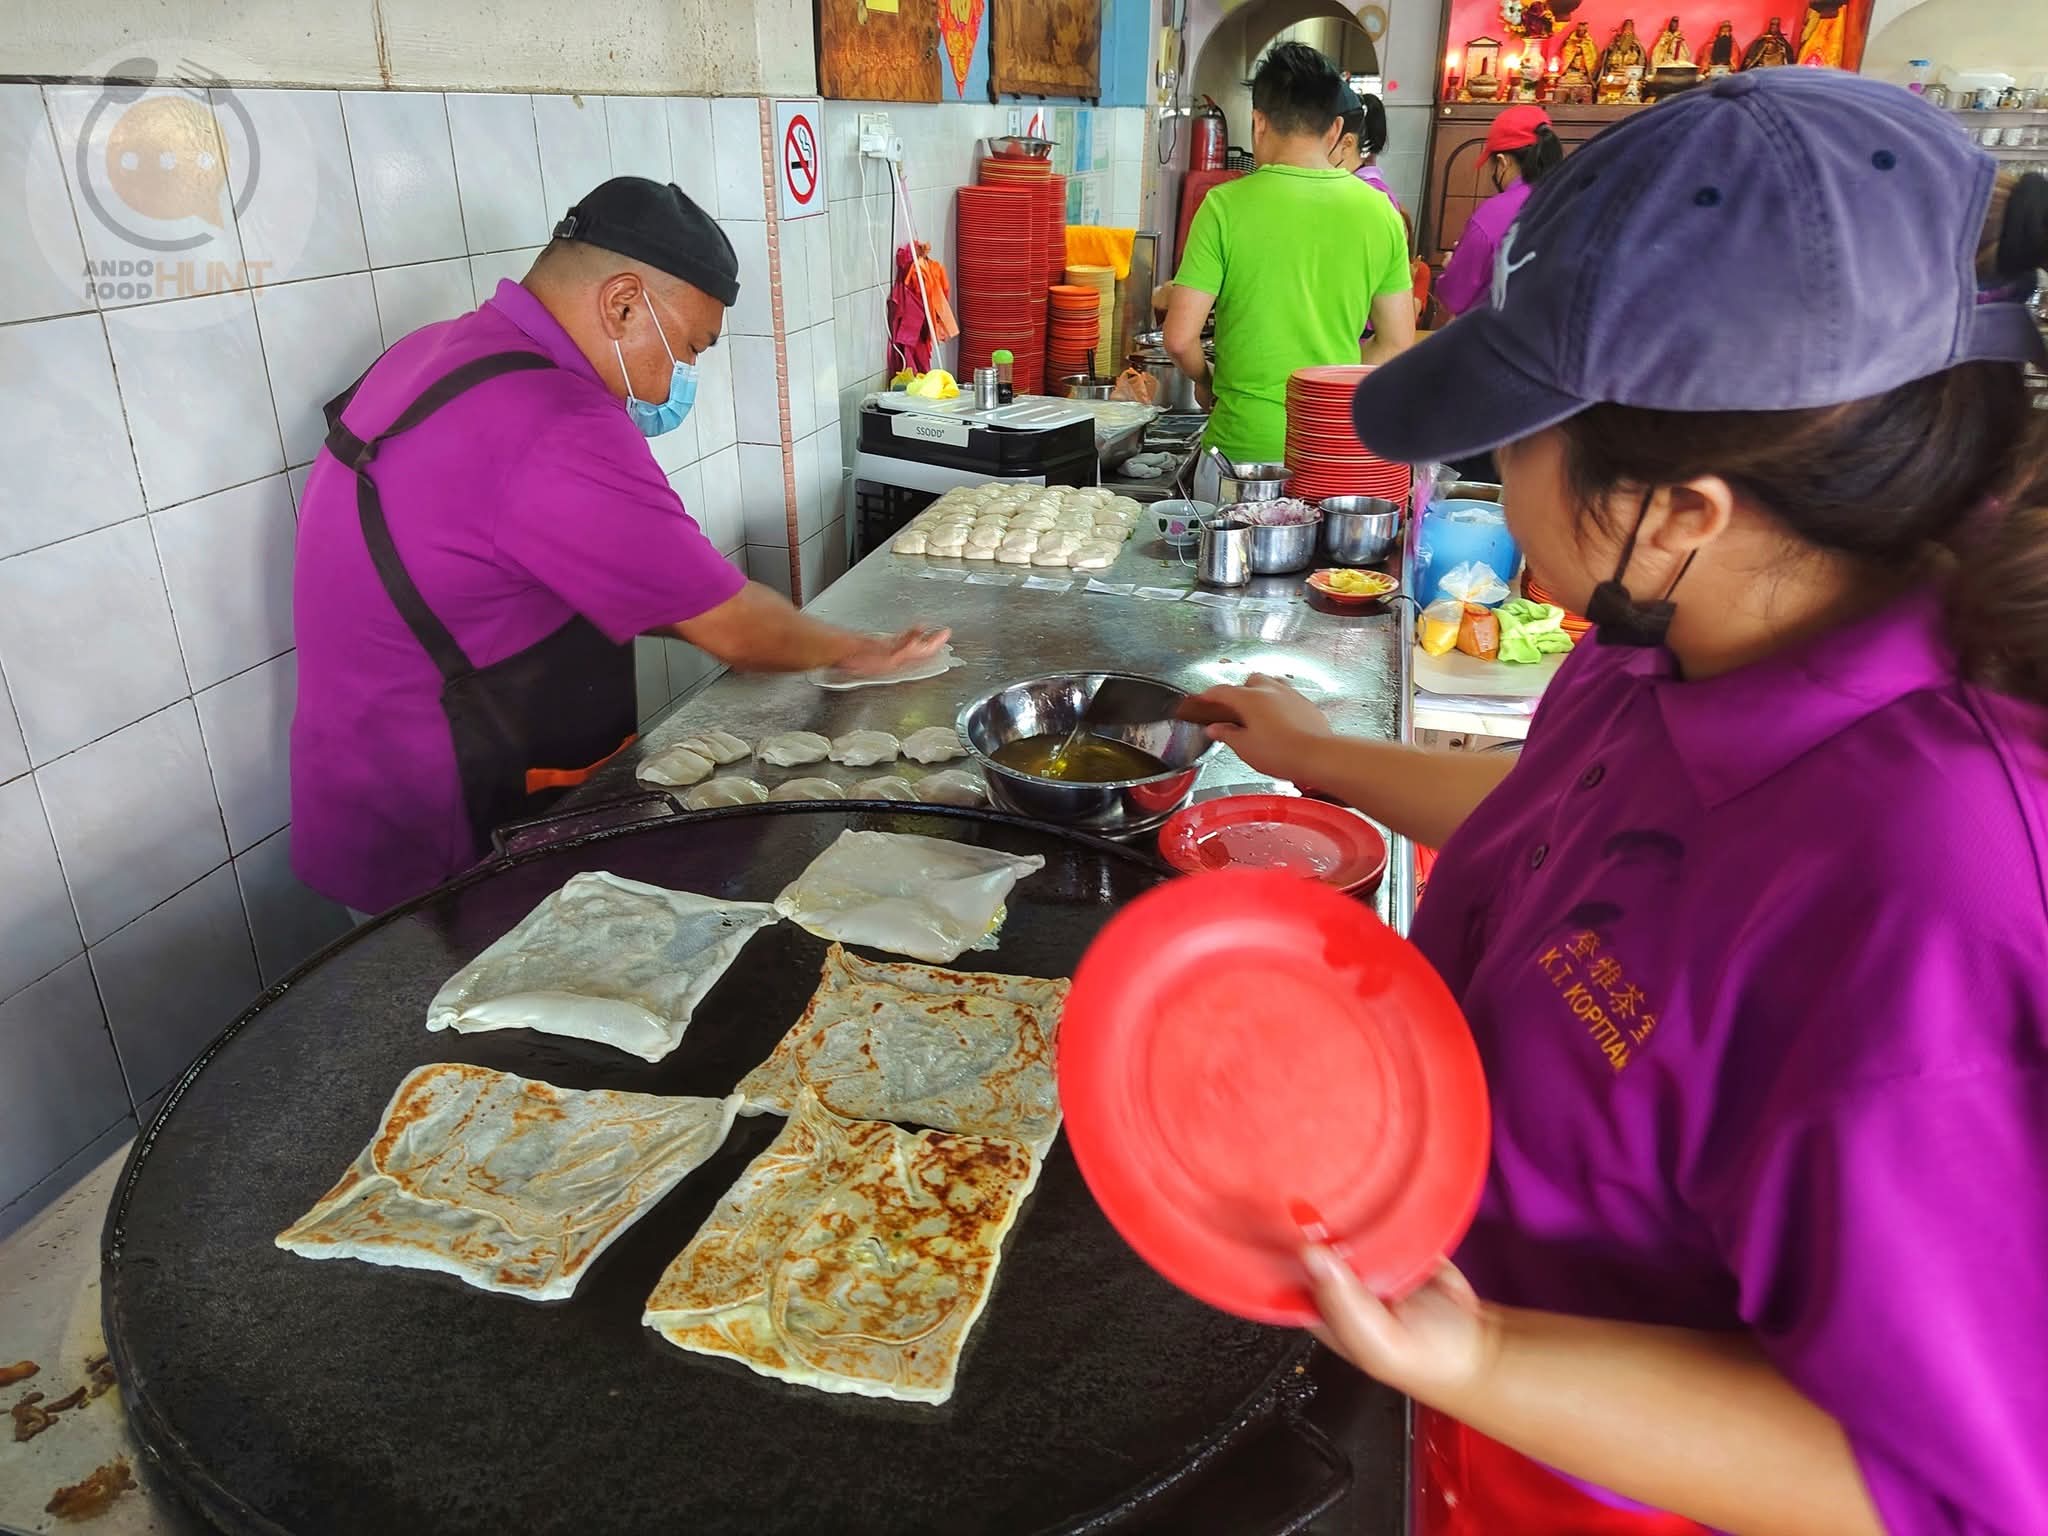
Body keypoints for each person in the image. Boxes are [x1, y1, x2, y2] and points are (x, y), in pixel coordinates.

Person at [1192, 70, 2048, 1535]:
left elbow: (1940, 1483)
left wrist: (1486, 1358)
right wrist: (1318, 756)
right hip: (1466, 1425)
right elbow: (1571, 836)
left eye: (1512, 440)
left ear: (1681, 509)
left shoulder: (1931, 886)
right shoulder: (1677, 631)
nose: (1490, 480)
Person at [292, 178, 946, 917]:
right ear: (624, 304)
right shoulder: (553, 420)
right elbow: (732, 626)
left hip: (356, 790)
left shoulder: (434, 352)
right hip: (449, 833)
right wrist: (855, 650)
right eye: (689, 349)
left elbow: (572, 565)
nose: (675, 383)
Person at [1164, 42, 1413, 486]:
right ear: (1336, 128)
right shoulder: (1380, 212)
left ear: (1258, 122)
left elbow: (1180, 337)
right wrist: (1326, 381)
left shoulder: (1224, 206)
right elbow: (1395, 343)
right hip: (1326, 447)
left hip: (1239, 454)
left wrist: (1206, 380)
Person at [1435, 105, 1562, 318]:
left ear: (1503, 162)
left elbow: (1454, 296)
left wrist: (1453, 267)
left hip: (1496, 333)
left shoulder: (1492, 216)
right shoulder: (1571, 202)